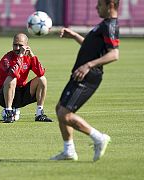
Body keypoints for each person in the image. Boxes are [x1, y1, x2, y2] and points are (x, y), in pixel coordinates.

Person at [50, 0, 119, 161]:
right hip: (80, 74)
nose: (96, 7)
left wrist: (88, 65)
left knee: (65, 114)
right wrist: (74, 36)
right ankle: (69, 151)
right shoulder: (104, 25)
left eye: (100, 4)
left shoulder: (110, 26)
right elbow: (91, 48)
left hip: (88, 75)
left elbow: (114, 54)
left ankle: (99, 138)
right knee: (60, 108)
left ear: (110, 6)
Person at [0, 33, 53, 123]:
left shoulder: (28, 57)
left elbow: (40, 72)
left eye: (20, 45)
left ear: (26, 46)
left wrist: (32, 56)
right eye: (15, 45)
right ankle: (8, 112)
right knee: (12, 78)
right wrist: (21, 56)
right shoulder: (6, 59)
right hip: (3, 96)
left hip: (21, 94)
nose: (17, 48)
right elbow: (14, 74)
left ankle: (39, 114)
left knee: (42, 79)